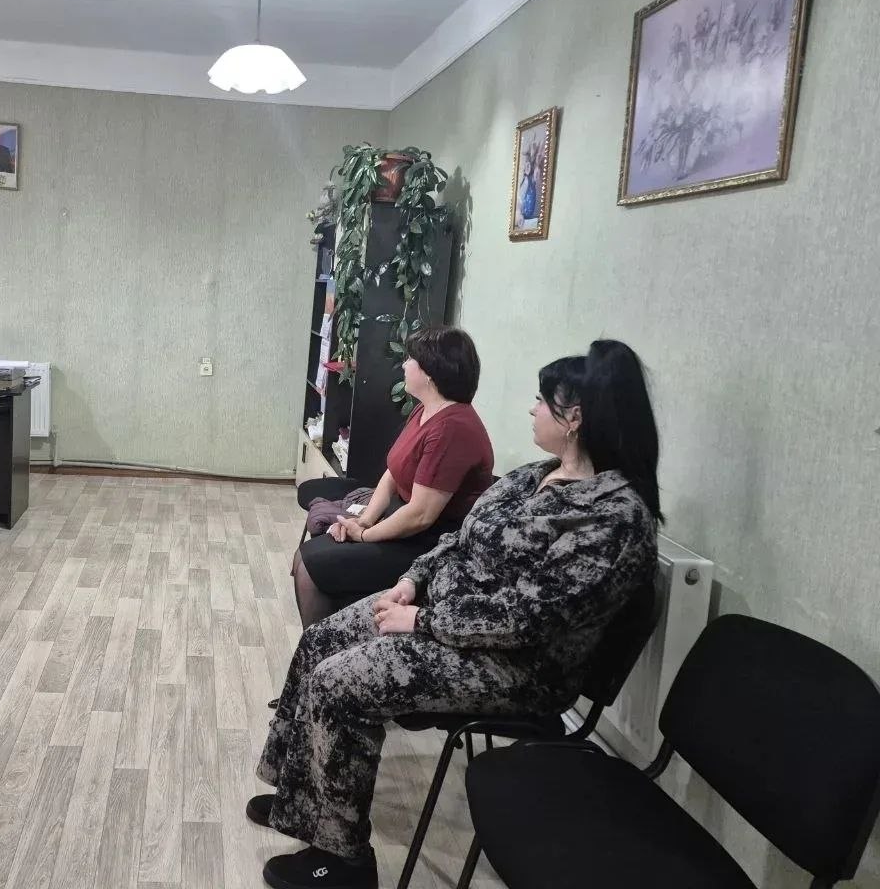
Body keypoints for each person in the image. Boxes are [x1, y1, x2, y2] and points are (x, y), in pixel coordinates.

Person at [248, 340, 662, 889]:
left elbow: (528, 618)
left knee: (339, 683)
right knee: (320, 640)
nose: (532, 409)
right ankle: (300, 794)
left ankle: (343, 860)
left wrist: (421, 621)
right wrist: (411, 582)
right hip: (444, 617)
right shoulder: (534, 476)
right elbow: (460, 540)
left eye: (542, 401)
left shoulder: (613, 519)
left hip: (514, 667)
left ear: (575, 419)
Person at [292, 326, 493, 629]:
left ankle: (323, 646)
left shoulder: (452, 428)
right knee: (306, 559)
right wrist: (364, 520)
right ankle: (322, 641)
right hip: (400, 518)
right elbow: (392, 473)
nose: (404, 365)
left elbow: (421, 515)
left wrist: (364, 535)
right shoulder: (425, 411)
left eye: (410, 359)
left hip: (431, 542)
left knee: (311, 565)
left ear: (430, 374)